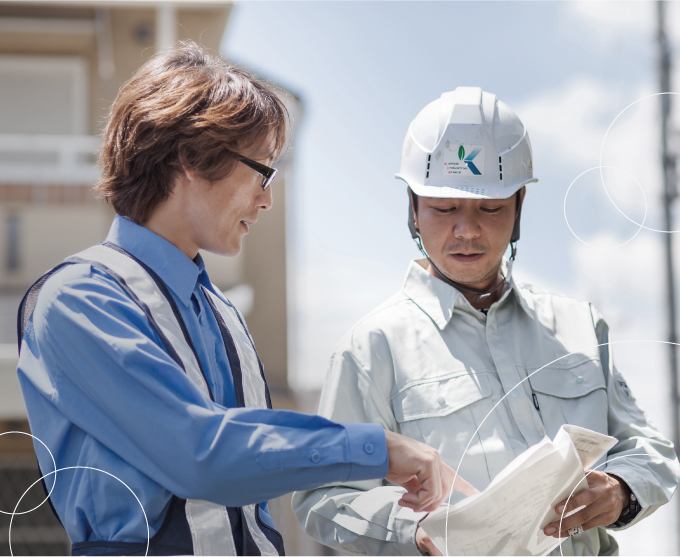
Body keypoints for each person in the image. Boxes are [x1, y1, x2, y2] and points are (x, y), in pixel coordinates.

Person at [15, 43, 457, 557]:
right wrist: (376, 449)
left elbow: (249, 497)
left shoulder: (222, 310)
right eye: (262, 171)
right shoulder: (79, 299)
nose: (268, 197)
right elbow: (200, 454)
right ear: (189, 157)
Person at [292, 87, 680, 556]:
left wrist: (620, 489)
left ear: (518, 207)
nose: (467, 230)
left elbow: (650, 451)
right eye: (443, 208)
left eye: (490, 208)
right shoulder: (370, 348)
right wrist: (410, 532)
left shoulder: (580, 325)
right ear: (413, 209)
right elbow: (322, 498)